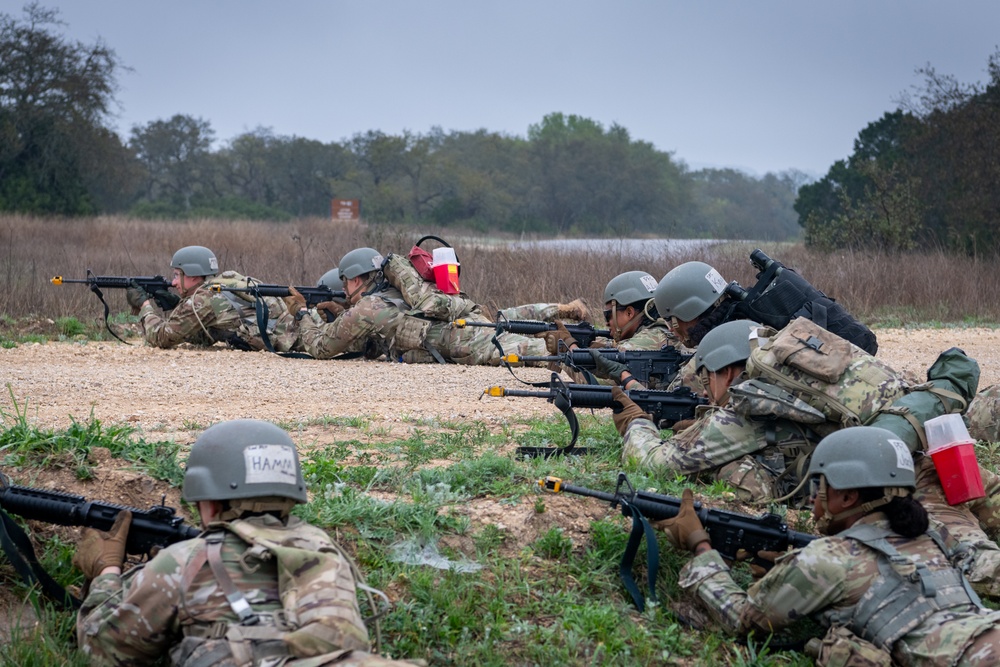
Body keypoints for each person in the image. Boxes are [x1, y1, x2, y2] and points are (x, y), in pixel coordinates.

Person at [614, 318, 1000, 596]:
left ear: (728, 372)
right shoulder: (808, 379)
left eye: (706, 378)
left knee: (983, 568)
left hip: (909, 490)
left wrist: (637, 422)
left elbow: (653, 464)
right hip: (943, 459)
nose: (704, 391)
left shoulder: (747, 408)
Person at [74, 419, 413, 666]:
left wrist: (106, 571)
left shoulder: (184, 561)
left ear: (208, 502)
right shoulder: (321, 549)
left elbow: (101, 649)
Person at [661, 426, 1000, 665]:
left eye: (820, 487)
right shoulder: (929, 539)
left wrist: (700, 547)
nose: (813, 500)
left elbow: (743, 619)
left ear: (847, 496)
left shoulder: (830, 560)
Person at [295, 247, 566, 365]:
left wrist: (302, 313)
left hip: (464, 341)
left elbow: (322, 348)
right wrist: (341, 314)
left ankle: (578, 347)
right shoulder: (400, 289)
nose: (343, 290)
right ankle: (562, 321)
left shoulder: (369, 308)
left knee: (554, 356)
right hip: (465, 322)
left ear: (356, 278)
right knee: (504, 323)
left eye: (345, 284)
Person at [127, 245, 297, 352]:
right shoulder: (219, 286)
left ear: (193, 275)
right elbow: (205, 337)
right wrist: (177, 306)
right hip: (291, 327)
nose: (174, 282)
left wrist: (144, 305)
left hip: (294, 335)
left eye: (177, 275)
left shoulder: (203, 299)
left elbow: (161, 338)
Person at [550, 271, 683, 390]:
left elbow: (600, 381)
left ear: (629, 313)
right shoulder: (659, 331)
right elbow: (612, 347)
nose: (607, 323)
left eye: (608, 315)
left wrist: (567, 347)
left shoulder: (648, 340)